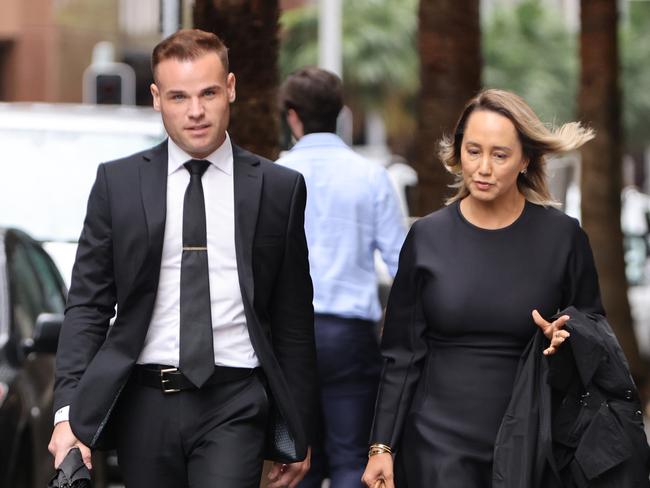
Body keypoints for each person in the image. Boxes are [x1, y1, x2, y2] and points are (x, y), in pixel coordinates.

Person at [48, 29, 318, 488]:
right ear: (156, 98)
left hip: (236, 401)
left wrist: (299, 428)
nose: (195, 111)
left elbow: (293, 319)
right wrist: (66, 412)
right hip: (143, 402)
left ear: (230, 88)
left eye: (208, 93)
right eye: (178, 96)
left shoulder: (277, 189)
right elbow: (88, 306)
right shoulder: (119, 184)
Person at [361, 88, 606, 487]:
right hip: (437, 446)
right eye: (473, 151)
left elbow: (597, 339)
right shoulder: (427, 237)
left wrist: (566, 341)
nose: (484, 168)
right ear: (458, 153)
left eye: (500, 154)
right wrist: (381, 446)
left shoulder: (563, 238)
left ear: (525, 158)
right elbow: (401, 355)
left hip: (531, 443)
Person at [276, 67, 406, 488]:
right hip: (350, 335)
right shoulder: (370, 175)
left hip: (289, 336)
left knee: (296, 458)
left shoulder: (275, 174)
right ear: (341, 113)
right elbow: (401, 262)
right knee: (353, 457)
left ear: (292, 116)